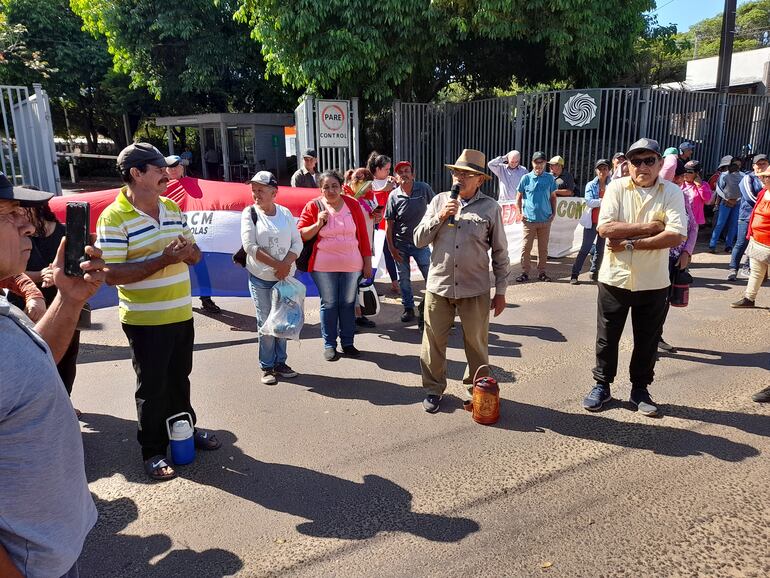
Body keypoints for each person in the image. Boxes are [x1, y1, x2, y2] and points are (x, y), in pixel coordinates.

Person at [96, 143, 221, 482]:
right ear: (136, 173)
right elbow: (111, 275)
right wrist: (164, 259)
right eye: (158, 168)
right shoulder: (113, 217)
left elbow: (195, 256)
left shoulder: (171, 207)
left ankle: (185, 427)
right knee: (152, 387)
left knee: (180, 378)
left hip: (181, 313)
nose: (167, 174)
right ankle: (152, 450)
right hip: (144, 320)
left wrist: (188, 252)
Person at [0, 173, 105, 578]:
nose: (28, 224)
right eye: (10, 214)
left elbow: (35, 365)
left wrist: (69, 298)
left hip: (52, 550)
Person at [582, 138, 687, 418]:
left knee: (647, 340)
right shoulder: (616, 188)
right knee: (607, 338)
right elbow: (605, 229)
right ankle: (601, 385)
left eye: (649, 160)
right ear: (628, 165)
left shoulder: (672, 192)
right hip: (614, 279)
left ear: (660, 164)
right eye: (636, 161)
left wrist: (629, 243)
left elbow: (676, 234)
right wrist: (651, 228)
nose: (642, 166)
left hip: (654, 281)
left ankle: (640, 389)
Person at [414, 149, 509, 413]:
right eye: (457, 172)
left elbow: (501, 252)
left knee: (476, 345)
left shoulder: (490, 207)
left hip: (475, 288)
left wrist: (500, 291)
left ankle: (477, 391)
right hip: (439, 286)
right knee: (432, 344)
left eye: (467, 174)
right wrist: (441, 216)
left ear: (479, 180)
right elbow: (418, 239)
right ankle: (433, 389)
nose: (460, 177)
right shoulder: (440, 202)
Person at [7, 202, 83, 408]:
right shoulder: (16, 236)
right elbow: (14, 275)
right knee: (35, 357)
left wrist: (68, 279)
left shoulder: (64, 232)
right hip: (26, 308)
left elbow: (77, 267)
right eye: (13, 213)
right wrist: (39, 278)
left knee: (67, 357)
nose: (22, 221)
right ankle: (43, 406)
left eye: (22, 211)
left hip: (63, 302)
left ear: (39, 208)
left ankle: (63, 402)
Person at [297, 170, 372, 361]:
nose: (331, 190)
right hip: (323, 266)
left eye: (334, 186)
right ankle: (329, 344)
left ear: (341, 186)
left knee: (347, 303)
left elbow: (363, 235)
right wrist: (317, 223)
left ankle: (348, 342)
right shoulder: (313, 206)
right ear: (320, 189)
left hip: (352, 264)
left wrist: (367, 262)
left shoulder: (352, 204)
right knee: (329, 304)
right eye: (326, 187)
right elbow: (301, 235)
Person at [241, 171, 302, 385]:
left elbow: (297, 243)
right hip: (261, 277)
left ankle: (280, 362)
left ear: (274, 192)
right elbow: (250, 246)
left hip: (284, 278)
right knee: (266, 321)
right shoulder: (249, 213)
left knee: (283, 321)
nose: (256, 194)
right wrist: (278, 265)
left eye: (261, 190)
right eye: (254, 190)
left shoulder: (284, 213)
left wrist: (286, 265)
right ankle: (267, 365)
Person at [167, 155, 222, 313]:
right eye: (171, 167)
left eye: (177, 167)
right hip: (171, 238)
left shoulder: (195, 185)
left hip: (194, 236)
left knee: (200, 267)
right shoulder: (161, 187)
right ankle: (177, 301)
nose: (174, 170)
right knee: (173, 270)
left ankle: (206, 299)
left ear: (182, 168)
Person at [385, 160, 435, 324]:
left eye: (407, 171)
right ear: (396, 178)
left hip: (421, 243)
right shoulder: (393, 195)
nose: (404, 174)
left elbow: (435, 208)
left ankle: (434, 308)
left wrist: (434, 233)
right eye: (400, 172)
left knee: (431, 276)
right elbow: (389, 224)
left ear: (412, 174)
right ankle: (408, 309)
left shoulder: (424, 188)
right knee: (403, 279)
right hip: (401, 245)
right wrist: (392, 248)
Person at [658, 164, 699, 353]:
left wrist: (686, 252)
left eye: (681, 178)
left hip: (675, 260)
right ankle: (645, 343)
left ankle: (656, 337)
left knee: (665, 301)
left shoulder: (683, 198)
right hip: (655, 258)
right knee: (650, 302)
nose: (679, 181)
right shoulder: (657, 196)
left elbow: (693, 227)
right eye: (676, 177)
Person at [730, 167, 770, 316]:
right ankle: (749, 298)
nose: (764, 179)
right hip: (757, 240)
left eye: (767, 177)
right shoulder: (762, 193)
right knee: (756, 272)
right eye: (765, 177)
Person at [343, 167, 380, 328]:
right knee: (349, 285)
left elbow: (373, 221)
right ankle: (348, 319)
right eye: (360, 181)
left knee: (361, 282)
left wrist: (377, 217)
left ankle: (359, 315)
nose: (367, 187)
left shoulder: (371, 198)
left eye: (368, 182)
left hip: (366, 246)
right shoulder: (345, 199)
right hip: (350, 248)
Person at [515, 151, 557, 282]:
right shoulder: (526, 178)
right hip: (529, 220)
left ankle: (542, 272)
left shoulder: (550, 178)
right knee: (526, 248)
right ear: (532, 163)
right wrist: (519, 213)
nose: (539, 165)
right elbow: (518, 198)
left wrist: (553, 213)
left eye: (541, 162)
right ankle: (525, 272)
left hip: (545, 220)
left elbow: (553, 198)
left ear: (545, 163)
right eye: (536, 162)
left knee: (543, 249)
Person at [570, 159, 611, 285]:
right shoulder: (590, 185)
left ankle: (595, 272)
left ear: (609, 171)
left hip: (605, 222)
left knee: (600, 249)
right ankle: (575, 274)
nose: (602, 171)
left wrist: (599, 201)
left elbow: (614, 202)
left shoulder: (613, 185)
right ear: (596, 171)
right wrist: (604, 201)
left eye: (605, 169)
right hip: (592, 222)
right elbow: (589, 201)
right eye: (600, 169)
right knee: (585, 248)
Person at [730, 154, 768, 280]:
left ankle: (748, 267)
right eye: (759, 164)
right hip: (747, 216)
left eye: (764, 163)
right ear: (754, 166)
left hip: (763, 219)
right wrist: (763, 206)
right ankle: (733, 268)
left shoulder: (768, 179)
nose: (762, 166)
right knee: (741, 243)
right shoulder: (748, 178)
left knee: (757, 245)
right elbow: (749, 197)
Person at [367, 151, 400, 294]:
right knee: (374, 254)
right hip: (374, 225)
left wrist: (396, 186)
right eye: (386, 169)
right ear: (378, 169)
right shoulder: (369, 182)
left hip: (388, 224)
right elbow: (368, 200)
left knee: (389, 252)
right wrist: (383, 190)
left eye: (389, 169)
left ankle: (395, 282)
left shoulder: (391, 181)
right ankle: (369, 284)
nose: (388, 171)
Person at [710, 156, 744, 253]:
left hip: (737, 203)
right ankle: (712, 245)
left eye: (739, 165)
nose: (737, 166)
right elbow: (719, 188)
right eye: (735, 164)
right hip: (725, 202)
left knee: (733, 224)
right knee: (720, 223)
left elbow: (744, 190)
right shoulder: (724, 175)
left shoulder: (743, 175)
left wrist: (736, 199)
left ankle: (728, 245)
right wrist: (727, 198)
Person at [681, 160, 713, 229]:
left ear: (697, 173)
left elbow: (708, 201)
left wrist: (699, 186)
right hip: (680, 220)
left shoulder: (704, 185)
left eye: (689, 172)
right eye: (684, 170)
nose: (685, 174)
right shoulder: (680, 183)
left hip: (694, 222)